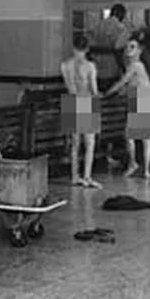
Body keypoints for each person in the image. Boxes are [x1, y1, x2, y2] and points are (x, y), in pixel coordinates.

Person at [103, 37, 150, 178]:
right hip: (141, 97)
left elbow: (122, 82)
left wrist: (107, 93)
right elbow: (128, 85)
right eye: (127, 47)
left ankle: (135, 165)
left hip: (141, 98)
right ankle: (144, 169)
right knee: (141, 137)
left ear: (139, 50)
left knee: (131, 135)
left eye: (132, 47)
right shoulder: (136, 66)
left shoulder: (135, 65)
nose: (128, 50)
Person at [60, 35, 101, 188]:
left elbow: (67, 84)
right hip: (86, 101)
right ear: (87, 49)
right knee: (90, 143)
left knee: (75, 143)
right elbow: (94, 89)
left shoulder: (65, 65)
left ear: (73, 47)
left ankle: (74, 176)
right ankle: (87, 177)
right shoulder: (90, 66)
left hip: (71, 101)